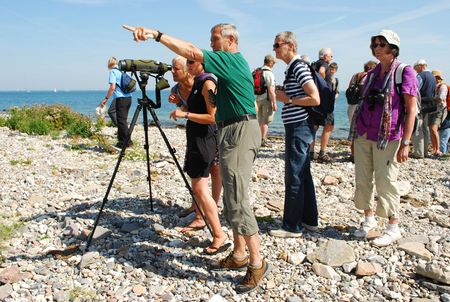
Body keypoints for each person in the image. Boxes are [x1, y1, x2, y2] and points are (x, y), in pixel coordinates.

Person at [123, 23, 270, 294]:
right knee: (230, 198)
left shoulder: (231, 59)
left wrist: (156, 35)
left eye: (215, 39)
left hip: (240, 129)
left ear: (230, 40)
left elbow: (190, 50)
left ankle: (257, 262)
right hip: (229, 129)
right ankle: (239, 254)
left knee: (237, 198)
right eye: (211, 39)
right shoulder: (226, 67)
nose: (211, 44)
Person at [349, 29, 418, 247]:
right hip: (364, 133)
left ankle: (393, 226)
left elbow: (412, 109)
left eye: (381, 44)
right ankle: (368, 219)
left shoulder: (404, 72)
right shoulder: (372, 74)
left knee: (386, 180)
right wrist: (354, 139)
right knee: (362, 178)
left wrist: (406, 143)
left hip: (388, 137)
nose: (377, 48)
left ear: (392, 47)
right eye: (375, 44)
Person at [169, 59, 227, 255]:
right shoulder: (198, 83)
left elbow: (213, 115)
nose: (189, 64)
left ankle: (218, 233)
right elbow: (197, 108)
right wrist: (182, 109)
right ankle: (209, 224)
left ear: (203, 64)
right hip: (198, 139)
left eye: (192, 61)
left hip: (204, 140)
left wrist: (185, 115)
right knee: (199, 187)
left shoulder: (208, 83)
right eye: (187, 61)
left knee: (200, 188)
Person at [269, 31, 320, 237]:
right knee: (303, 172)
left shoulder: (298, 67)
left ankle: (292, 226)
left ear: (290, 46)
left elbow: (314, 98)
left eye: (277, 45)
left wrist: (288, 99)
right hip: (299, 126)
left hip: (299, 126)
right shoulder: (294, 68)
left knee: (295, 174)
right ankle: (309, 220)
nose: (274, 48)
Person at [346, 60, 377, 161]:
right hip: (361, 105)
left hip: (351, 105)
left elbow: (349, 88)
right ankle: (358, 155)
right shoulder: (369, 76)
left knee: (353, 130)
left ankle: (353, 153)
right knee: (361, 131)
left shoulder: (355, 75)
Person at [100, 57, 133, 148]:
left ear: (109, 64)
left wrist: (106, 98)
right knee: (123, 121)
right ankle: (126, 141)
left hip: (121, 99)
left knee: (121, 121)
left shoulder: (113, 72)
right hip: (129, 98)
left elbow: (112, 87)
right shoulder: (121, 72)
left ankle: (124, 143)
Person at [310, 47, 334, 162]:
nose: (331, 58)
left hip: (314, 101)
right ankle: (323, 152)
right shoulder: (324, 63)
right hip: (324, 100)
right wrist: (323, 86)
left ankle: (310, 152)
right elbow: (322, 72)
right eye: (331, 56)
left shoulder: (313, 64)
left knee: (314, 125)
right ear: (325, 56)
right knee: (329, 125)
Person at [411, 59, 436, 158]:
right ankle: (425, 151)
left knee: (417, 128)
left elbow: (416, 90)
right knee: (425, 128)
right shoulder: (432, 77)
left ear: (421, 66)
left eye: (416, 67)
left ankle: (418, 152)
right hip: (430, 105)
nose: (415, 70)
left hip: (421, 105)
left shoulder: (421, 76)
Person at [255, 54, 277, 147]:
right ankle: (263, 140)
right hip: (266, 99)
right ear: (271, 62)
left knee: (259, 120)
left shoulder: (258, 71)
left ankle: (257, 139)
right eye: (274, 63)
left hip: (257, 99)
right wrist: (274, 102)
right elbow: (271, 90)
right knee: (266, 120)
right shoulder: (269, 73)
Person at [429, 70, 448, 157]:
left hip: (439, 110)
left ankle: (437, 150)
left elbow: (441, 98)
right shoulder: (436, 86)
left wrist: (430, 99)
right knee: (431, 129)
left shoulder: (442, 87)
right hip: (434, 110)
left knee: (433, 129)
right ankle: (434, 149)